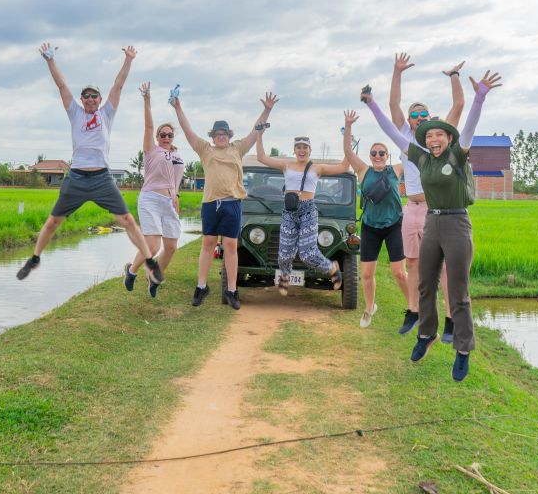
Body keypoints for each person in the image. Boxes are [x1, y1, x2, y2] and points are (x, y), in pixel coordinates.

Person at [364, 71, 502, 381]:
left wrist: (479, 97)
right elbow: (390, 128)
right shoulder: (421, 157)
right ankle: (427, 334)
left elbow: (470, 124)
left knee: (458, 290)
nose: (433, 139)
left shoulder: (458, 151)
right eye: (428, 135)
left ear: (448, 137)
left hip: (456, 223)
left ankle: (463, 349)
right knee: (424, 282)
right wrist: (371, 104)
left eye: (439, 134)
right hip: (432, 219)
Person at [16, 43, 163, 285]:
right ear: (82, 100)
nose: (91, 99)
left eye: (95, 95)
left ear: (100, 99)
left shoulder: (107, 113)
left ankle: (149, 261)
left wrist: (128, 60)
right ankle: (34, 258)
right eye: (87, 96)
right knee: (53, 221)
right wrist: (50, 61)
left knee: (126, 220)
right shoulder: (75, 112)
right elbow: (62, 86)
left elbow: (119, 85)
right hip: (76, 178)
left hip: (102, 178)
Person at [172, 91, 278, 310]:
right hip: (211, 204)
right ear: (212, 136)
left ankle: (232, 290)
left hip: (232, 203)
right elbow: (187, 130)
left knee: (230, 245)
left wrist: (267, 110)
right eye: (217, 134)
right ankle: (201, 287)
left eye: (224, 133)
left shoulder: (237, 148)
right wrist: (177, 107)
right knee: (208, 244)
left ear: (229, 135)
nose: (221, 136)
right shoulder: (205, 149)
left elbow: (255, 131)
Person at [387, 53, 464, 342]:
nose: (418, 119)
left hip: (435, 208)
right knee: (412, 263)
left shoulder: (437, 137)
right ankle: (413, 311)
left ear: (429, 119)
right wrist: (397, 72)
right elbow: (393, 104)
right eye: (414, 115)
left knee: (441, 266)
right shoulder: (405, 135)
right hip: (412, 208)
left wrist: (454, 76)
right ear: (408, 121)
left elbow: (458, 106)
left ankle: (450, 319)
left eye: (423, 115)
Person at [254, 128, 350, 294]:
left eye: (305, 147)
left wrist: (347, 135)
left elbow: (344, 166)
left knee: (307, 254)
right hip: (289, 212)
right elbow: (261, 157)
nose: (301, 150)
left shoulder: (317, 168)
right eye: (298, 147)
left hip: (308, 212)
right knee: (284, 253)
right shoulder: (286, 165)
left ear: (310, 150)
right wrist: (259, 135)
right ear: (294, 150)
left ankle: (331, 267)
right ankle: (285, 274)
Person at [341, 110, 413, 328]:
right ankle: (369, 307)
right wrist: (348, 126)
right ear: (370, 156)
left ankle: (414, 308)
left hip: (394, 226)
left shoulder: (396, 170)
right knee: (366, 273)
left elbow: (410, 152)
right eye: (374, 153)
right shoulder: (363, 171)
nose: (378, 156)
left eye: (382, 153)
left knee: (399, 272)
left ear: (387, 156)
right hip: (371, 227)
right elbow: (347, 151)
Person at [123, 81, 185, 298]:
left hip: (169, 202)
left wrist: (176, 194)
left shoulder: (177, 156)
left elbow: (176, 178)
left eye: (169, 135)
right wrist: (147, 99)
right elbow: (148, 126)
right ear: (158, 137)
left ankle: (153, 278)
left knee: (171, 247)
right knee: (153, 245)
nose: (166, 137)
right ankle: (131, 271)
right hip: (150, 199)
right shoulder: (151, 150)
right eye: (163, 134)